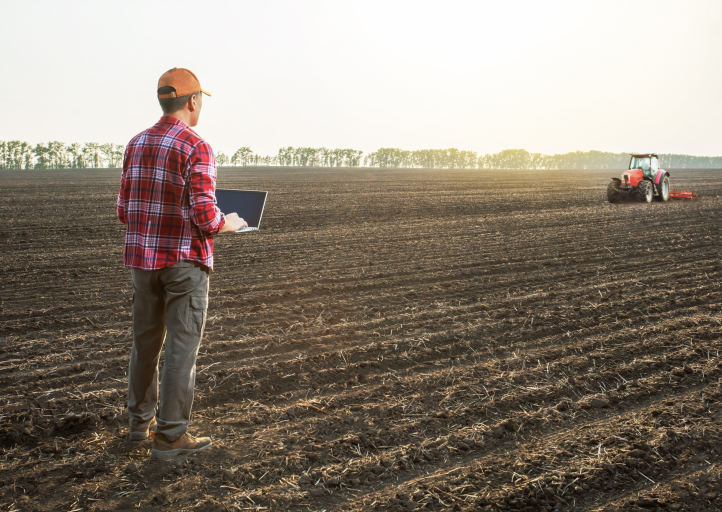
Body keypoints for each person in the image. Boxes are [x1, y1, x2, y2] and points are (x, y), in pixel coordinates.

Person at [116, 67, 246, 459]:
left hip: (143, 263)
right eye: (200, 99)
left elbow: (124, 211)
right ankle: (171, 437)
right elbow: (206, 217)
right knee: (180, 351)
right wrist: (230, 223)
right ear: (192, 101)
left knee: (145, 345)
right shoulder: (196, 146)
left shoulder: (135, 144)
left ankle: (139, 427)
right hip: (184, 264)